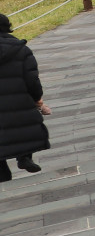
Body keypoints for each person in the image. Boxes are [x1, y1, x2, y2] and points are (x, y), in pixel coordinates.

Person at [0, 15, 52, 180]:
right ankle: (24, 157)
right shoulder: (20, 49)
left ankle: (3, 175)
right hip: (18, 102)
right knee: (21, 125)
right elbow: (32, 80)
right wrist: (37, 98)